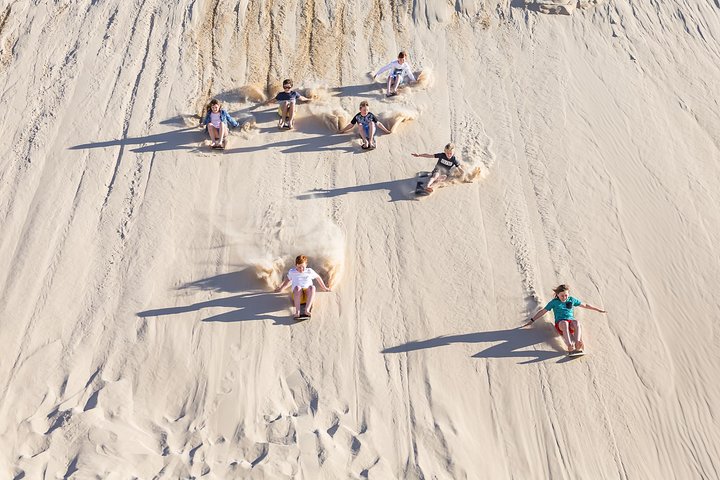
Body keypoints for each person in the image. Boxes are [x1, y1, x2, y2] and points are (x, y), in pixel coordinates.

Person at [525, 284, 607, 353]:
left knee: (576, 322)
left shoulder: (571, 300)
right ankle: (569, 345)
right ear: (557, 295)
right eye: (562, 296)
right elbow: (543, 311)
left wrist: (598, 309)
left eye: (566, 295)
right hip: (561, 324)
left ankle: (577, 343)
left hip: (571, 324)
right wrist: (532, 320)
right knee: (565, 323)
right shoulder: (554, 302)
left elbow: (585, 305)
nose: (564, 297)